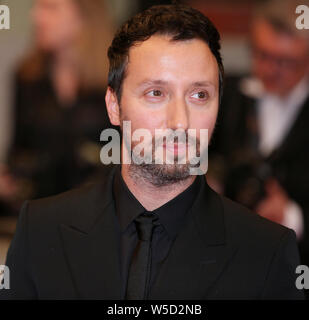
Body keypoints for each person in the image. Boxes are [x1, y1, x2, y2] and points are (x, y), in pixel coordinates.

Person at [0, 4, 304, 300]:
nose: (180, 121)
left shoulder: (267, 253)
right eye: (156, 93)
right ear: (114, 106)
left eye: (199, 95)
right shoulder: (40, 232)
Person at [209, 0, 309, 266]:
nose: (269, 69)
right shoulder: (227, 95)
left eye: (285, 62)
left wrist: (292, 217)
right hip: (226, 255)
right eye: (261, 54)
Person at [0, 0, 115, 216]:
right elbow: (19, 151)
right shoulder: (27, 76)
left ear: (84, 17)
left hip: (98, 214)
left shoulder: (114, 79)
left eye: (50, 8)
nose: (36, 17)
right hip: (36, 210)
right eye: (37, 7)